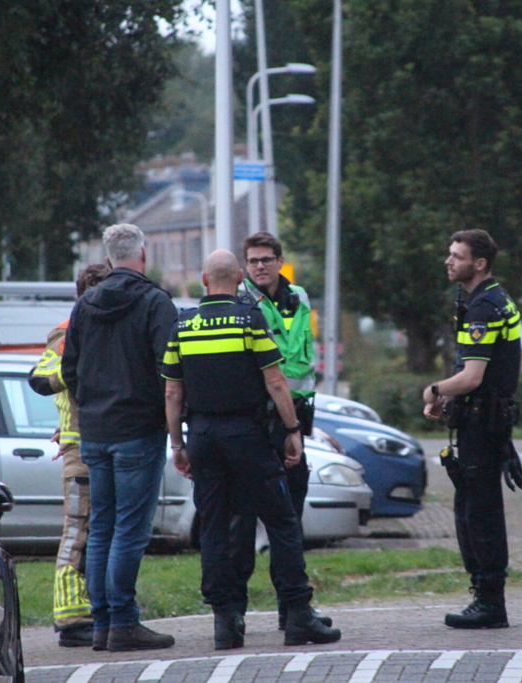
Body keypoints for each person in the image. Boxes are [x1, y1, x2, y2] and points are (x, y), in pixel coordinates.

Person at [163, 250, 341, 650]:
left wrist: (178, 444)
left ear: (204, 280)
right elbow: (276, 382)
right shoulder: (249, 319)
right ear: (240, 277)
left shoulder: (184, 324)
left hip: (204, 436)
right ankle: (297, 616)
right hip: (249, 436)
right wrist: (293, 430)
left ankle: (225, 622)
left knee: (214, 527)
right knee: (280, 521)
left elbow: (173, 391)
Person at [61, 225, 178, 652]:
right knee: (130, 528)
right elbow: (171, 370)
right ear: (142, 255)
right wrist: (174, 428)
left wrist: (92, 406)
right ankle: (124, 622)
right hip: (138, 431)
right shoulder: (155, 302)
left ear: (109, 259)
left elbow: (69, 369)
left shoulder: (85, 306)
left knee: (102, 527)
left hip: (95, 432)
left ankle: (102, 625)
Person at [421, 229, 522, 629]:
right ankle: (486, 596)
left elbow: (473, 377)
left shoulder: (483, 307)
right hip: (483, 417)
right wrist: (451, 397)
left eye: (456, 256)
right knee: (473, 508)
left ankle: (489, 603)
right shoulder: (485, 299)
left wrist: (433, 390)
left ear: (478, 264)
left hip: (483, 422)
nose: (448, 261)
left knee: (479, 512)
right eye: (449, 254)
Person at [231, 231, 328, 631]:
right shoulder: (238, 302)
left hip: (296, 418)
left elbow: (305, 359)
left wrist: (297, 424)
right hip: (259, 421)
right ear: (244, 265)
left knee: (290, 520)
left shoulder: (299, 297)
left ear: (279, 260)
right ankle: (234, 612)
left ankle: (292, 610)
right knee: (242, 523)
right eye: (253, 261)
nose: (260, 267)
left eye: (267, 259)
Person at [28, 263, 109, 647]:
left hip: (100, 444)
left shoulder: (107, 328)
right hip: (79, 449)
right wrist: (77, 364)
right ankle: (71, 619)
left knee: (101, 535)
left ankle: (96, 609)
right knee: (77, 534)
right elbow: (40, 379)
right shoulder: (66, 333)